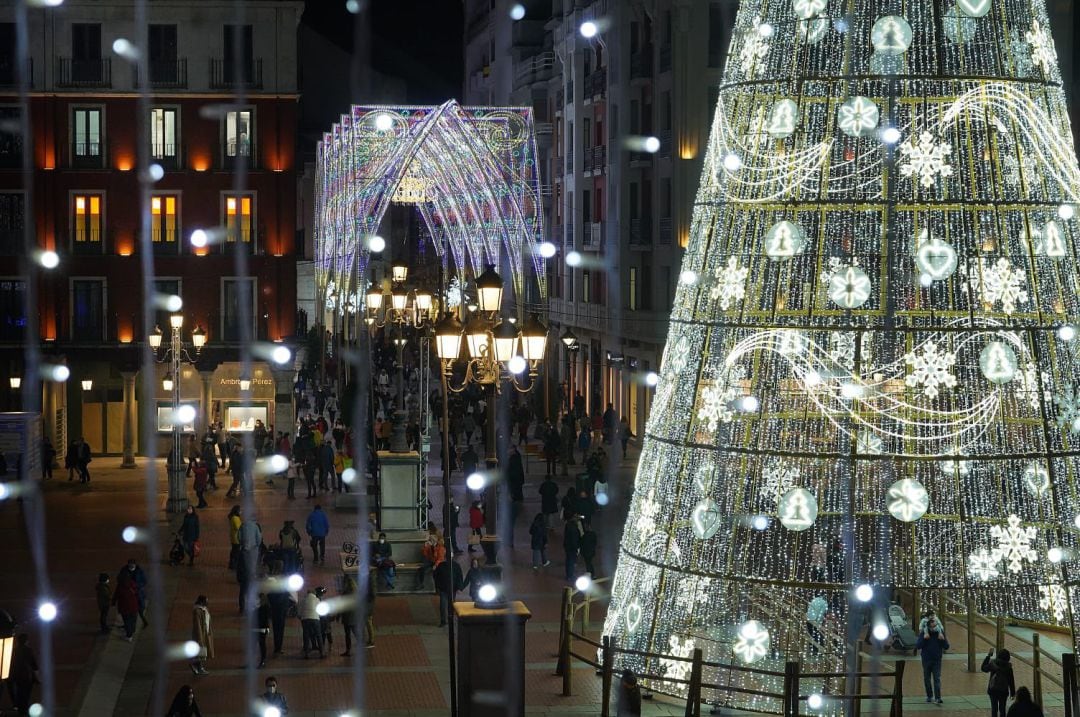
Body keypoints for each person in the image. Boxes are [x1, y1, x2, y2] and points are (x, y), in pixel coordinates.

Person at [915, 615, 950, 704]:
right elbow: (918, 646)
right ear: (928, 624)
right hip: (926, 659)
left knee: (937, 678)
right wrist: (924, 638)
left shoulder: (940, 632)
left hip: (937, 659)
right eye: (931, 623)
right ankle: (929, 696)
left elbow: (946, 646)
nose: (933, 624)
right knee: (927, 679)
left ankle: (938, 697)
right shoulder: (924, 632)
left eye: (934, 622)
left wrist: (942, 640)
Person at [982, 647, 1016, 717]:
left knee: (994, 709)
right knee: (1002, 710)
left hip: (993, 690)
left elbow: (983, 668)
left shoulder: (993, 664)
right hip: (1003, 691)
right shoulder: (1009, 668)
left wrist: (988, 656)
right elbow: (1011, 681)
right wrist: (1013, 693)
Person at [117, 558, 149, 627]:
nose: (131, 566)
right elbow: (119, 578)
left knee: (139, 609)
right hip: (128, 593)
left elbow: (144, 581)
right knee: (128, 610)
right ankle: (128, 624)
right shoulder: (124, 570)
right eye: (130, 564)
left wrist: (137, 586)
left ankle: (143, 622)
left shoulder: (139, 571)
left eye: (132, 565)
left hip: (138, 593)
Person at [434, 557, 464, 627]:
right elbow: (436, 576)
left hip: (450, 589)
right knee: (443, 605)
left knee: (449, 605)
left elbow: (459, 576)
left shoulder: (455, 566)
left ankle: (449, 619)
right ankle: (444, 620)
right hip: (445, 589)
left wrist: (459, 587)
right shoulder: (443, 565)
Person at [113, 570, 140, 641]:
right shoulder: (132, 583)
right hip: (134, 606)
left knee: (127, 621)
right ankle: (132, 630)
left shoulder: (120, 586)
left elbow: (116, 595)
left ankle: (129, 635)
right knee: (133, 619)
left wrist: (113, 602)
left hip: (124, 607)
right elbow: (137, 592)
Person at [190, 595, 214, 675]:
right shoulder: (197, 611)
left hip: (205, 633)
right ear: (201, 602)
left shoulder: (204, 609)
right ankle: (199, 667)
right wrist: (200, 637)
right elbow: (198, 625)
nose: (207, 603)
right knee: (201, 652)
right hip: (200, 635)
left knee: (201, 652)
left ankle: (196, 666)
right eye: (206, 601)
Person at [300, 588, 324, 658]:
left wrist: (302, 616)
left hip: (305, 619)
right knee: (318, 635)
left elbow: (299, 611)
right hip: (315, 618)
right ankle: (322, 652)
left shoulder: (303, 600)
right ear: (314, 593)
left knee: (306, 635)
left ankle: (306, 653)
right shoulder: (317, 600)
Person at [564, 515, 582, 582]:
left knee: (568, 560)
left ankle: (568, 575)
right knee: (571, 561)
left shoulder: (568, 525)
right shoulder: (574, 528)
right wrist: (577, 547)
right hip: (572, 547)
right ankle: (570, 575)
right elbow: (574, 539)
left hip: (567, 546)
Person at [254, 593, 270, 668]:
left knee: (261, 644)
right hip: (261, 628)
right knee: (261, 644)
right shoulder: (265, 607)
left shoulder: (263, 608)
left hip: (261, 628)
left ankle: (262, 660)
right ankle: (261, 660)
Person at [227, 506, 242, 570]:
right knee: (236, 551)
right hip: (236, 538)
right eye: (240, 511)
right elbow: (238, 527)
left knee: (233, 550)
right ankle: (234, 564)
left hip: (233, 537)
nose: (241, 512)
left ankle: (232, 564)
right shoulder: (235, 518)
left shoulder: (233, 517)